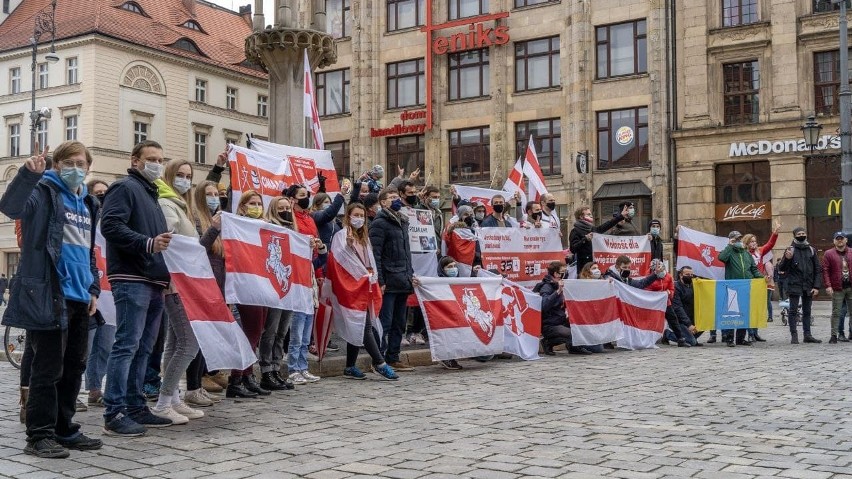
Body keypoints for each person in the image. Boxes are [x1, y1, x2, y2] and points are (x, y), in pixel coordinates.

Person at [0, 141, 102, 457]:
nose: (76, 168)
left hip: (80, 296)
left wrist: (93, 289)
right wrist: (28, 175)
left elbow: (88, 252)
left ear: (88, 167)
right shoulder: (43, 191)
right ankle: (39, 435)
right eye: (69, 162)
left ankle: (64, 429)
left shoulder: (88, 202)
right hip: (49, 292)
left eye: (81, 163)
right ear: (56, 165)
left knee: (74, 367)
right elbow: (11, 207)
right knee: (47, 369)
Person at [101, 140, 174, 435]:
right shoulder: (125, 187)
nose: (157, 163)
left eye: (160, 158)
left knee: (144, 348)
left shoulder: (151, 193)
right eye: (151, 158)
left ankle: (135, 406)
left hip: (153, 279)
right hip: (132, 278)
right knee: (127, 345)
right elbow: (110, 226)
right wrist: (147, 244)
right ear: (135, 161)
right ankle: (114, 412)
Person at [148, 160, 206, 425]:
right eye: (179, 175)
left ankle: (171, 398)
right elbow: (169, 240)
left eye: (188, 176)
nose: (184, 180)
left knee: (175, 342)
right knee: (189, 343)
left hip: (185, 280)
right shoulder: (167, 203)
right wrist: (169, 274)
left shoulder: (180, 204)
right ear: (170, 177)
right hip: (176, 281)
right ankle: (163, 402)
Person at [333, 203, 400, 380]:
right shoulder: (341, 236)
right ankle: (380, 363)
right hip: (352, 288)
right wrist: (348, 247)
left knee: (357, 325)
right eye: (356, 215)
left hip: (366, 285)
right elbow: (341, 262)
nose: (359, 219)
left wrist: (374, 278)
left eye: (362, 215)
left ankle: (349, 366)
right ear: (348, 216)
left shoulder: (364, 238)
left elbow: (369, 261)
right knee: (363, 326)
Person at [184, 181, 228, 406]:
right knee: (197, 339)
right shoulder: (197, 219)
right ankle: (192, 384)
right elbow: (198, 248)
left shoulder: (217, 219)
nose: (214, 198)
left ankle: (199, 385)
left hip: (217, 285)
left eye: (216, 194)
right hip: (202, 284)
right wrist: (214, 229)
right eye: (209, 194)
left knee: (208, 339)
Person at [370, 187, 415, 372]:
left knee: (399, 322)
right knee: (385, 322)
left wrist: (410, 274)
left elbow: (406, 252)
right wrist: (380, 280)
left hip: (403, 278)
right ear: (383, 202)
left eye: (397, 196)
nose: (396, 199)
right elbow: (376, 254)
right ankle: (378, 359)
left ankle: (393, 357)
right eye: (392, 197)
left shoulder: (402, 221)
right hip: (388, 280)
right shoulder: (379, 223)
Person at [285, 184, 326, 385]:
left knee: (307, 326)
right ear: (292, 199)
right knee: (297, 326)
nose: (306, 198)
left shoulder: (309, 218)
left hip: (310, 271)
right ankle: (293, 368)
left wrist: (319, 272)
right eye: (302, 196)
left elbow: (316, 249)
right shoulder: (290, 219)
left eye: (307, 195)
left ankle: (303, 367)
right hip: (295, 275)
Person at [257, 196, 298, 391]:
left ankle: (276, 367)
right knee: (270, 330)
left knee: (282, 331)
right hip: (274, 285)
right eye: (280, 208)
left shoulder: (292, 229)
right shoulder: (270, 228)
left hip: (289, 286)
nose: (284, 210)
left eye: (286, 207)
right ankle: (266, 370)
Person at [85, 178, 113, 408]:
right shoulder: (85, 222)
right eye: (98, 193)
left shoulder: (111, 222)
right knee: (85, 346)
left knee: (105, 346)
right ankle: (71, 391)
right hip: (91, 291)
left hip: (111, 294)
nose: (102, 197)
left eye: (105, 193)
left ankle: (95, 389)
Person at [718, 230, 763, 347]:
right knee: (732, 313)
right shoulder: (729, 252)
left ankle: (740, 338)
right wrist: (729, 245)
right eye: (735, 239)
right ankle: (729, 339)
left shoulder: (746, 253)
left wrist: (762, 278)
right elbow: (721, 258)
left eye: (739, 239)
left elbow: (754, 269)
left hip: (746, 286)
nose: (738, 241)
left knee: (744, 312)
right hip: (732, 287)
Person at [778, 227, 822, 345]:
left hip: (808, 285)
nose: (802, 235)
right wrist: (787, 259)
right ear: (794, 236)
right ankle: (794, 335)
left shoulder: (811, 250)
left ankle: (807, 335)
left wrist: (816, 286)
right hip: (794, 285)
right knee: (793, 311)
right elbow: (781, 268)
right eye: (799, 233)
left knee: (807, 311)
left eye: (803, 233)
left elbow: (817, 269)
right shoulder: (790, 250)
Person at [742, 221, 780, 342]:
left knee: (758, 308)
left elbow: (770, 244)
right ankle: (750, 333)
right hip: (749, 282)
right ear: (747, 243)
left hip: (760, 282)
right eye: (751, 241)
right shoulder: (743, 253)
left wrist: (775, 232)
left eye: (755, 241)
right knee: (749, 309)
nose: (754, 243)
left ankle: (756, 332)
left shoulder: (760, 251)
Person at [569, 204, 629, 270]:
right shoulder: (575, 231)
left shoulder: (593, 229)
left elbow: (607, 225)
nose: (591, 216)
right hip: (584, 268)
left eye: (591, 214)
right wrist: (585, 239)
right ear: (581, 216)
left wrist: (620, 216)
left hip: (595, 266)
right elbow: (573, 249)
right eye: (588, 214)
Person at [644, 259, 689, 347]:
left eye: (661, 270)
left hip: (665, 302)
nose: (660, 272)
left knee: (673, 319)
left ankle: (680, 339)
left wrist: (669, 293)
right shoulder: (648, 277)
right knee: (650, 321)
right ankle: (648, 339)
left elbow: (672, 289)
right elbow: (646, 289)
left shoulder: (668, 276)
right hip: (653, 303)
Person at [535, 261, 573, 356]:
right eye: (563, 272)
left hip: (561, 320)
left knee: (579, 330)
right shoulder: (546, 287)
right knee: (571, 334)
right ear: (556, 274)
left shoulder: (565, 284)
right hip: (550, 324)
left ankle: (574, 346)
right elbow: (544, 305)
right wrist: (558, 292)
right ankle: (548, 342)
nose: (565, 274)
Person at [822, 231, 852, 343]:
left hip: (850, 286)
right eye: (837, 238)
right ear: (834, 241)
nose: (840, 240)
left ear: (846, 240)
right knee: (836, 312)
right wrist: (828, 286)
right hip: (837, 287)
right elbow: (825, 271)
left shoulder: (851, 252)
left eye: (842, 238)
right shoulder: (828, 254)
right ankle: (834, 335)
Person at [670, 266, 703, 346]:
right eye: (687, 274)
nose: (690, 277)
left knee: (705, 324)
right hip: (679, 321)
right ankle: (667, 334)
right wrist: (689, 324)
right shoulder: (675, 287)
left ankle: (690, 337)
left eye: (691, 275)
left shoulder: (694, 285)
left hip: (692, 319)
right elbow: (678, 308)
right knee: (692, 342)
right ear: (681, 275)